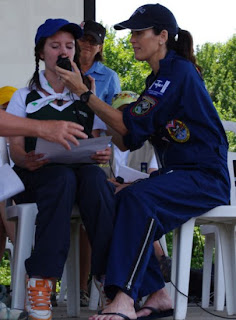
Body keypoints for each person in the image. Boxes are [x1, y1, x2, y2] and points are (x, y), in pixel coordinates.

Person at [57, 3, 230, 320]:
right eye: (131, 33)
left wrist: (84, 94)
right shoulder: (157, 80)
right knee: (119, 194)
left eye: (139, 32)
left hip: (205, 178)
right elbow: (127, 138)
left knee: (136, 198)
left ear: (162, 36)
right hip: (180, 175)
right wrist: (93, 101)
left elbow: (126, 127)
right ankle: (159, 294)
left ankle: (124, 296)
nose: (132, 39)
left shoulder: (176, 73)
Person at [6, 18, 113, 320]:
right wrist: (26, 158)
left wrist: (102, 152)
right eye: (55, 46)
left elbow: (99, 138)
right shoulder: (23, 96)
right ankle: (41, 280)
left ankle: (109, 279)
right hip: (38, 173)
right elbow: (15, 148)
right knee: (61, 179)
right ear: (41, 53)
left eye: (69, 46)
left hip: (81, 171)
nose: (64, 52)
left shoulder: (85, 93)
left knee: (96, 179)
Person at [77, 20, 121, 307]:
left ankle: (96, 284)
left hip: (97, 153)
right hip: (61, 151)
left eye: (94, 41)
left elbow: (115, 119)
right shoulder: (57, 72)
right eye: (84, 39)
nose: (88, 45)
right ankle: (71, 286)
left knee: (97, 204)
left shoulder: (109, 77)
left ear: (101, 46)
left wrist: (101, 138)